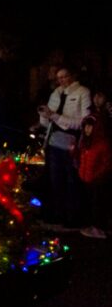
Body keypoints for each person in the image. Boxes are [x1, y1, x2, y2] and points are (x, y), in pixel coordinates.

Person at [39, 67, 92, 230]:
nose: (61, 80)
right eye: (58, 78)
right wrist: (43, 116)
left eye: (64, 77)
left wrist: (55, 116)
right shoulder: (56, 93)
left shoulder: (82, 92)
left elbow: (82, 122)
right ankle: (58, 214)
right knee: (56, 180)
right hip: (54, 140)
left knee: (71, 181)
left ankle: (72, 217)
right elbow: (47, 119)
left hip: (71, 142)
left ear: (72, 76)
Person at [75, 108, 111, 239]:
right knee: (91, 204)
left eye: (90, 127)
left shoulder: (102, 144)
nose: (87, 129)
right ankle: (93, 225)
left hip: (98, 180)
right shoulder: (86, 142)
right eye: (86, 126)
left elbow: (106, 163)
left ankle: (99, 228)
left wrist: (97, 175)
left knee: (98, 204)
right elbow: (82, 159)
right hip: (87, 178)